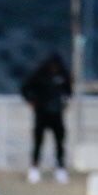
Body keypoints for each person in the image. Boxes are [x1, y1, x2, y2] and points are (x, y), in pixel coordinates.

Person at [19, 53, 72, 183]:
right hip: (42, 113)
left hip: (56, 113)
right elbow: (25, 88)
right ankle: (34, 168)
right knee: (38, 142)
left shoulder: (63, 76)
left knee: (59, 143)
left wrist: (64, 103)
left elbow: (68, 91)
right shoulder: (40, 75)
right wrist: (31, 101)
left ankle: (60, 168)